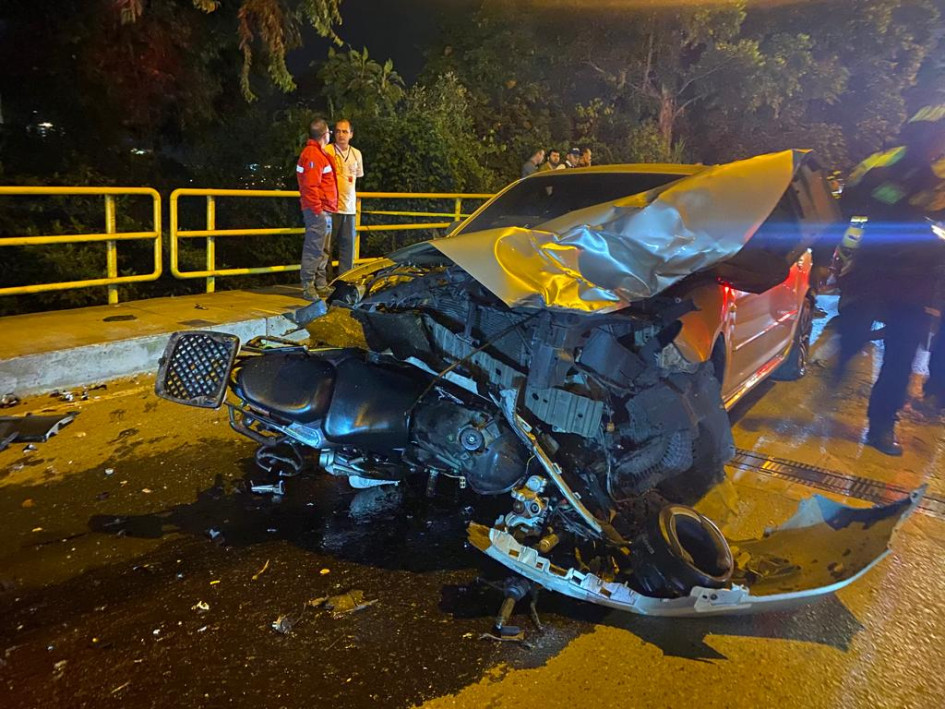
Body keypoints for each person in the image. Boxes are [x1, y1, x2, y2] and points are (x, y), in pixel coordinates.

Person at [833, 106, 945, 455]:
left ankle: (882, 425)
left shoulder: (940, 178)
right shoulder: (879, 171)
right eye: (937, 133)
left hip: (917, 285)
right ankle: (842, 357)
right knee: (853, 329)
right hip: (873, 272)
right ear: (920, 134)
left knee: (901, 355)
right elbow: (848, 212)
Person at [296, 117, 338, 300]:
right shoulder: (313, 155)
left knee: (323, 248)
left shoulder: (318, 154)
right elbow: (310, 187)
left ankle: (320, 283)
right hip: (317, 211)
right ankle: (308, 286)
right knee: (314, 247)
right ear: (325, 133)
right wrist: (317, 209)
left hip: (324, 210)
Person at [324, 119, 364, 275]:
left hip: (349, 208)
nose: (341, 135)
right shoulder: (327, 150)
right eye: (338, 131)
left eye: (345, 131)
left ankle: (344, 280)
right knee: (326, 247)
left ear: (351, 134)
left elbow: (357, 178)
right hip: (330, 208)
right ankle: (325, 281)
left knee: (348, 246)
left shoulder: (356, 154)